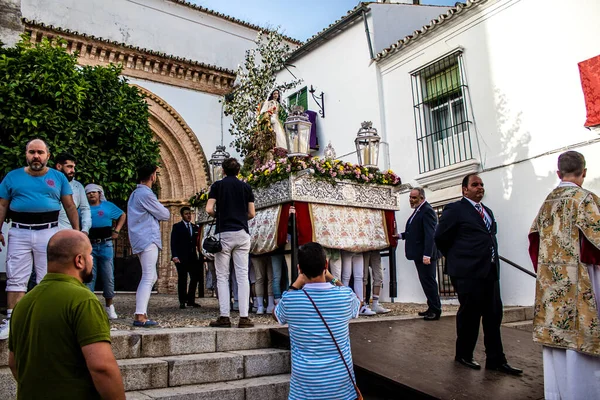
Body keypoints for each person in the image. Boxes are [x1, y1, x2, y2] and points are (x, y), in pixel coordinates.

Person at [8, 230, 125, 400]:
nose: (92, 259)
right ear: (79, 260)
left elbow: (13, 363)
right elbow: (102, 367)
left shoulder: (23, 303)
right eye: (90, 254)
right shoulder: (83, 300)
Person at [434, 173, 522, 375]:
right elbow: (440, 237)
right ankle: (464, 355)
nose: (480, 187)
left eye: (481, 184)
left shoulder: (487, 211)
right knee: (470, 314)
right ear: (464, 189)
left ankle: (496, 359)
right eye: (475, 184)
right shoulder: (455, 209)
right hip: (467, 272)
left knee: (493, 315)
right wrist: (457, 258)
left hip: (490, 270)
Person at [529, 151, 600, 399]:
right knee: (582, 341)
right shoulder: (586, 199)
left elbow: (534, 242)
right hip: (584, 280)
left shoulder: (546, 203)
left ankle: (556, 393)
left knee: (557, 344)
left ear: (558, 174)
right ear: (584, 172)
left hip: (551, 283)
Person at [0, 138, 80, 340]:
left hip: (49, 232)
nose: (36, 156)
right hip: (19, 232)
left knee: (49, 277)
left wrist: (78, 232)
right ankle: (13, 321)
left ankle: (48, 321)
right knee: (16, 278)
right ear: (26, 154)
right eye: (32, 152)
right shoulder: (12, 177)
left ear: (48, 156)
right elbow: (2, 206)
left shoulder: (58, 178)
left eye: (40, 152)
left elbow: (70, 206)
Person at [274, 242, 360, 400]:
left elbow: (277, 315)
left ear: (300, 269)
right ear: (325, 265)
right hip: (341, 389)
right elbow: (357, 302)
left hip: (304, 390)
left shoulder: (290, 300)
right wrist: (332, 278)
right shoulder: (345, 296)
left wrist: (296, 284)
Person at [206, 157, 256, 328]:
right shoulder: (246, 187)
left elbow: (208, 209)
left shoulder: (217, 186)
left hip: (224, 233)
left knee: (222, 276)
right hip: (242, 233)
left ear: (223, 170)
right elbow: (251, 213)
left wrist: (219, 215)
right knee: (242, 276)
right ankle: (244, 317)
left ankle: (224, 316)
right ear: (239, 171)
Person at [127, 164, 170, 327]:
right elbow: (164, 214)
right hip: (147, 238)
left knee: (152, 276)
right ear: (152, 176)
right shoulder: (145, 193)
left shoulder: (135, 193)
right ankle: (139, 315)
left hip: (140, 238)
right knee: (147, 276)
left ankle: (142, 311)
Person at [85, 183, 126, 319]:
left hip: (105, 244)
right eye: (89, 193)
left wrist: (117, 230)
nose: (91, 194)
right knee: (90, 276)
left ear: (99, 193)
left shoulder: (108, 206)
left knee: (108, 276)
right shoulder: (84, 208)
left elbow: (122, 215)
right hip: (90, 245)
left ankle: (109, 306)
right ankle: (90, 307)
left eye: (94, 192)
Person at [401, 187, 441, 320]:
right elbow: (415, 231)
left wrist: (427, 255)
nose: (411, 200)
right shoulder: (418, 211)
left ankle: (435, 310)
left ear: (422, 198)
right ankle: (431, 307)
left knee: (429, 281)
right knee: (425, 281)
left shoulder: (427, 211)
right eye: (410, 198)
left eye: (414, 198)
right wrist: (401, 236)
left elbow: (430, 235)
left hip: (425, 254)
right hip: (419, 254)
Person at [171, 206, 202, 309]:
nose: (189, 216)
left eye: (190, 213)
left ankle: (191, 300)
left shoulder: (195, 228)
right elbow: (173, 242)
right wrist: (175, 255)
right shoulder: (177, 227)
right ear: (182, 215)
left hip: (193, 257)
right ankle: (182, 301)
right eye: (186, 214)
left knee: (195, 278)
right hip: (181, 257)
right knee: (182, 279)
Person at [55, 152, 92, 234]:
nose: (73, 171)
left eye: (74, 167)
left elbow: (85, 209)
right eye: (69, 167)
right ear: (58, 166)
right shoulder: (49, 184)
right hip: (49, 231)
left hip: (69, 232)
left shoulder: (78, 186)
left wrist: (85, 230)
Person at [341, 250, 374, 316]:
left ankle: (360, 306)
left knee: (357, 277)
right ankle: (345, 305)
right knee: (346, 277)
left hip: (355, 248)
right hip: (349, 247)